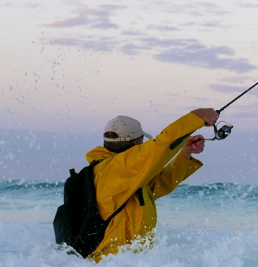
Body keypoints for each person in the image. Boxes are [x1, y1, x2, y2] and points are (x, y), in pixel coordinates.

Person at [85, 108, 218, 261]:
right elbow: (161, 145)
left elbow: (161, 184)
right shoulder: (116, 170)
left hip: (124, 262)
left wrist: (185, 153)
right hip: (110, 262)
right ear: (136, 143)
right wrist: (196, 118)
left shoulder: (122, 176)